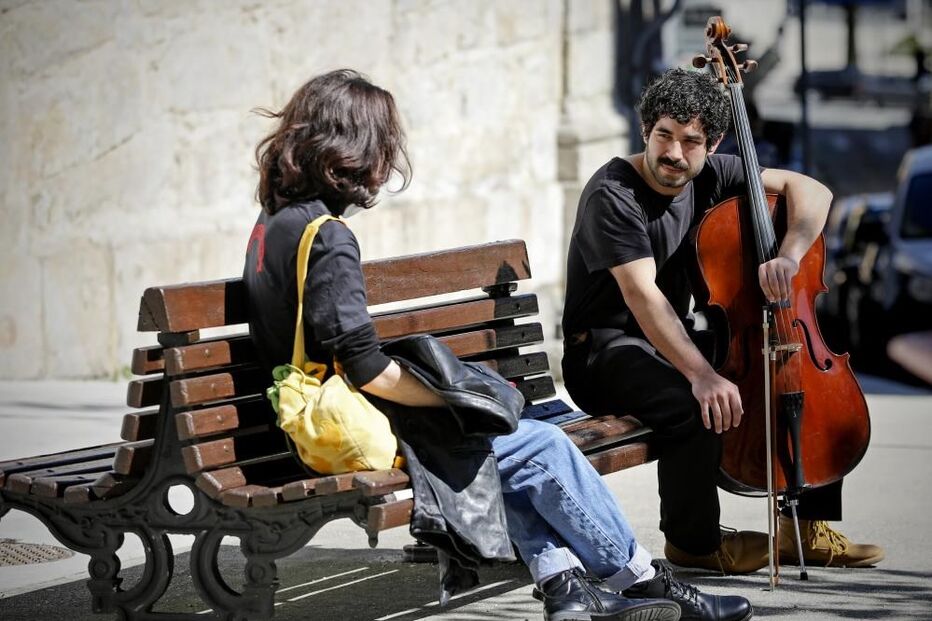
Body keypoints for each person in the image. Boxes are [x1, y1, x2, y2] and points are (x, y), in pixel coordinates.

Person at [243, 69, 753, 621]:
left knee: (499, 445)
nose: (387, 159)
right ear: (352, 147)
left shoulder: (275, 223)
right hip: (338, 431)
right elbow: (366, 367)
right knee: (540, 447)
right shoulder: (329, 237)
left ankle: (564, 588)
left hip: (295, 419)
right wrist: (457, 399)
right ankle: (641, 580)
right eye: (383, 143)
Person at [561, 68, 885, 575]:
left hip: (667, 336)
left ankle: (806, 527)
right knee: (691, 401)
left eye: (691, 142)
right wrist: (703, 374)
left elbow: (812, 191)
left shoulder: (711, 173)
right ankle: (694, 542)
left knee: (790, 370)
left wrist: (791, 254)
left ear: (712, 145)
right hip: (604, 349)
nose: (674, 153)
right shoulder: (614, 194)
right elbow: (643, 297)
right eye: (664, 134)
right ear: (646, 129)